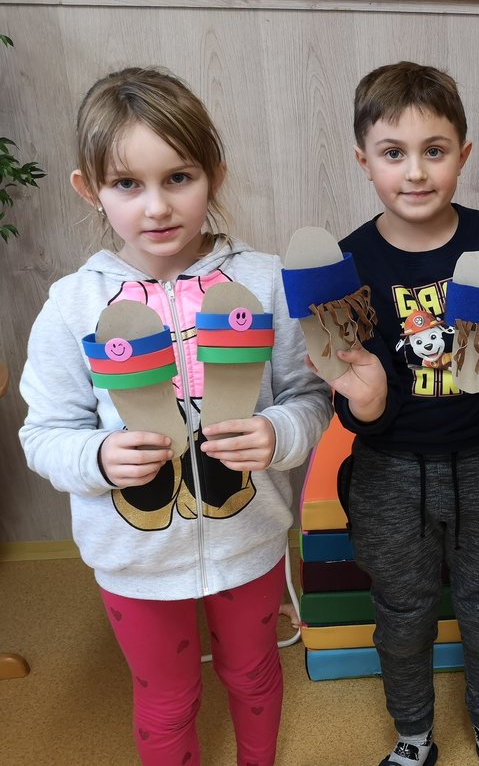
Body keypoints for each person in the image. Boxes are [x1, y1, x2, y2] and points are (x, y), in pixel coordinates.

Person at [19, 67, 332, 765]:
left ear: (215, 175)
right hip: (134, 557)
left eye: (179, 178)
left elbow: (310, 399)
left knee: (253, 675)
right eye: (127, 184)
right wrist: (96, 458)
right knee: (165, 699)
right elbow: (44, 434)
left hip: (249, 539)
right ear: (90, 189)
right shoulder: (72, 304)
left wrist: (278, 433)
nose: (156, 207)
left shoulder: (267, 282)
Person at [326, 62, 479, 766]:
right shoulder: (350, 260)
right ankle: (413, 735)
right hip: (389, 473)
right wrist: (364, 404)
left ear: (463, 155)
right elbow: (356, 396)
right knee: (402, 614)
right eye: (393, 153)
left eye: (434, 150)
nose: (415, 172)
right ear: (363, 160)